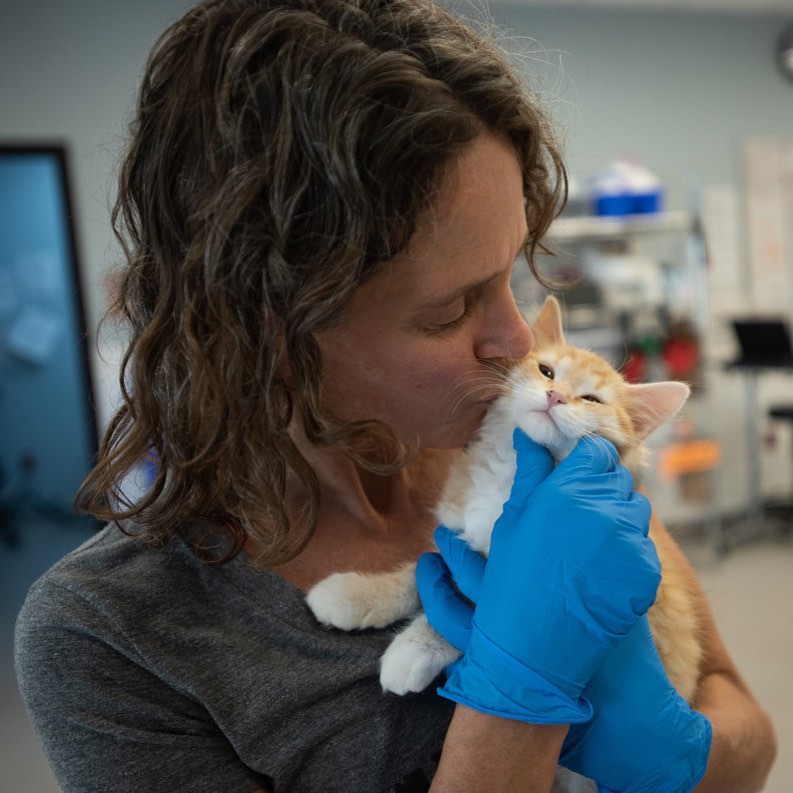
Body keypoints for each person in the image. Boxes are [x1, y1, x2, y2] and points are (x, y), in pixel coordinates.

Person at [15, 0, 775, 791]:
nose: (520, 345)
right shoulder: (110, 636)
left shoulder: (539, 459)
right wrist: (521, 693)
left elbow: (748, 735)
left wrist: (676, 756)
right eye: (450, 309)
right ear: (265, 332)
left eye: (512, 275)